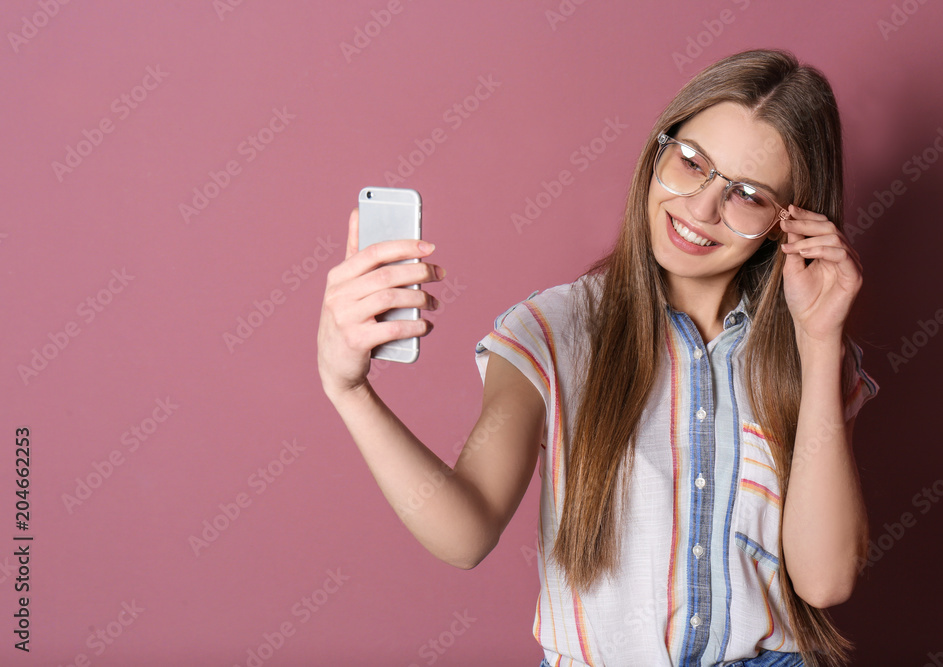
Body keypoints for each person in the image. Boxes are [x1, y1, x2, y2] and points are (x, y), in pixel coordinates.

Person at [317, 48, 879, 667]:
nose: (700, 210)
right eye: (692, 163)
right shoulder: (549, 331)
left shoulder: (810, 350)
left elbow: (826, 583)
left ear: (788, 222)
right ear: (659, 151)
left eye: (747, 194)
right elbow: (464, 533)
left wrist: (821, 341)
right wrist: (349, 389)